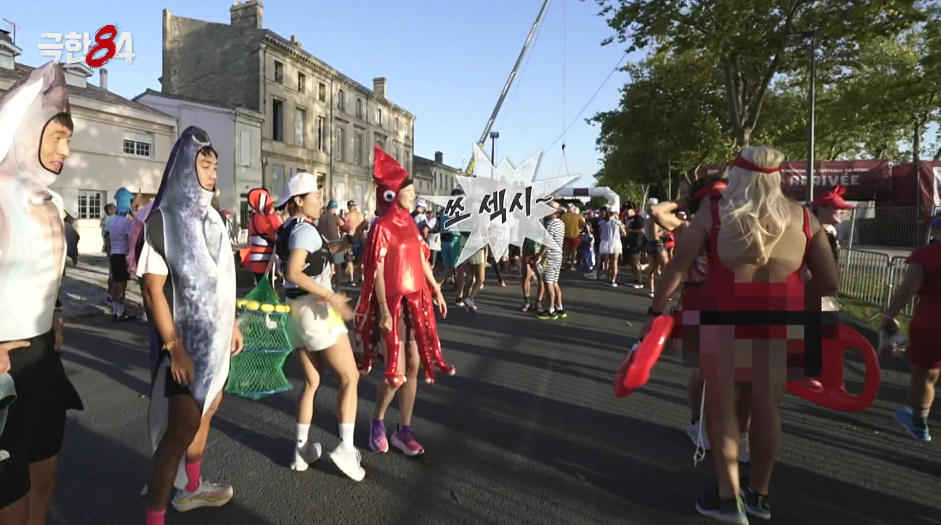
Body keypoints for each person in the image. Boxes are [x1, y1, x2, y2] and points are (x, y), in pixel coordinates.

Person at [642, 147, 838, 522]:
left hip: (723, 315)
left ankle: (728, 497)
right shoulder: (803, 218)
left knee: (723, 410)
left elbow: (677, 268)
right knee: (768, 408)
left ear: (739, 175)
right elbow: (829, 281)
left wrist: (655, 312)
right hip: (783, 320)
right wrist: (793, 299)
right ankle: (759, 496)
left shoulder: (712, 214)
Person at [138, 127, 243, 525]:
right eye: (204, 164)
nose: (212, 173)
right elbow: (152, 290)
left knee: (209, 410)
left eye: (215, 165)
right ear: (185, 167)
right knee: (178, 434)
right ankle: (155, 518)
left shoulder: (215, 218)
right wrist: (173, 345)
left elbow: (223, 278)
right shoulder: (162, 220)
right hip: (186, 345)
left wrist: (231, 321)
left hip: (216, 340)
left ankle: (193, 489)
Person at [0, 62, 84, 525]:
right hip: (3, 368)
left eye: (69, 140)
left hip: (42, 360)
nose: (65, 151)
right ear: (27, 130)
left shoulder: (51, 203)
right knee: (8, 502)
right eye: (57, 137)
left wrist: (51, 312)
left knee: (43, 480)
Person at [354, 147, 452, 456]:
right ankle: (378, 421)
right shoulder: (380, 227)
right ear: (392, 194)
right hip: (392, 305)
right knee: (394, 371)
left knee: (413, 365)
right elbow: (377, 269)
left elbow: (421, 257)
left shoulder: (410, 222)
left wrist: (435, 288)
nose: (412, 195)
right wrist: (382, 308)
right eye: (408, 190)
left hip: (416, 301)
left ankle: (404, 429)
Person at [274, 172, 365, 480]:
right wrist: (332, 296)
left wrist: (349, 241)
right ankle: (347, 449)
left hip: (296, 314)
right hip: (316, 312)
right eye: (314, 196)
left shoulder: (287, 230)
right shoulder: (305, 232)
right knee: (350, 377)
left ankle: (300, 452)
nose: (319, 200)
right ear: (298, 201)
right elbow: (295, 272)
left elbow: (296, 271)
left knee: (312, 383)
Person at [880, 213, 941, 442]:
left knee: (924, 376)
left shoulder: (925, 253)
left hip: (931, 319)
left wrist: (889, 315)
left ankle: (919, 424)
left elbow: (908, 288)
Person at [107, 187, 138, 322]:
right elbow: (130, 239)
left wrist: (109, 253)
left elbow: (107, 239)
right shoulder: (127, 222)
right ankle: (120, 312)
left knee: (114, 281)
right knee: (122, 284)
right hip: (123, 254)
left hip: (113, 254)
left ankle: (115, 310)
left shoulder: (111, 220)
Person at [241, 188, 282, 284]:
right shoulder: (263, 218)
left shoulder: (254, 217)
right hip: (263, 259)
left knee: (262, 286)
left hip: (257, 258)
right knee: (266, 288)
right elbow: (275, 235)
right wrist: (277, 219)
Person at [537, 203, 566, 319]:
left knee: (548, 282)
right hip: (558, 254)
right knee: (554, 282)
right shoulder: (561, 223)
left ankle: (551, 309)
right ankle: (559, 307)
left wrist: (540, 255)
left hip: (550, 255)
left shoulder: (550, 224)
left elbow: (547, 243)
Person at [318, 199, 346, 288]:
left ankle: (327, 284)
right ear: (334, 208)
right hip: (335, 242)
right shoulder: (334, 217)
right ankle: (337, 286)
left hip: (324, 242)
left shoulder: (321, 217)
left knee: (326, 265)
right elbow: (344, 225)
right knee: (338, 265)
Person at [598, 209, 626, 287]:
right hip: (615, 242)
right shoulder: (618, 223)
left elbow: (600, 231)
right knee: (614, 262)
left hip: (605, 242)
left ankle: (607, 278)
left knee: (606, 261)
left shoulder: (602, 222)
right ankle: (613, 279)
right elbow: (624, 233)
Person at [344, 200, 365, 285]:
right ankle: (360, 277)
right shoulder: (361, 215)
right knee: (360, 258)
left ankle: (352, 278)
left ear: (349, 207)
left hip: (351, 238)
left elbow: (343, 227)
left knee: (349, 259)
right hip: (360, 238)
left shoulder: (347, 215)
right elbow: (365, 226)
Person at [561, 204, 584, 270]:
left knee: (565, 251)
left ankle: (563, 264)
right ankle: (571, 266)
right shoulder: (578, 216)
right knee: (573, 251)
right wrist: (579, 229)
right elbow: (583, 224)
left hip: (566, 235)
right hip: (575, 235)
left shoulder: (564, 215)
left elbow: (561, 222)